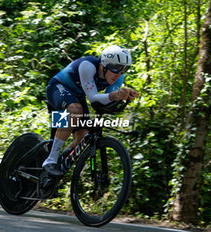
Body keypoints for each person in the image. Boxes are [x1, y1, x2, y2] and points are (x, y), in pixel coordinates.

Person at [43, 45, 139, 176]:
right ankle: (51, 160)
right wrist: (115, 95)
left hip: (77, 95)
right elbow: (94, 99)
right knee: (75, 110)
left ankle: (60, 161)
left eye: (124, 69)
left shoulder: (118, 77)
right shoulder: (87, 66)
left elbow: (106, 102)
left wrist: (123, 98)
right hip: (58, 87)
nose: (119, 74)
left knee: (83, 136)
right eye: (116, 67)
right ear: (104, 65)